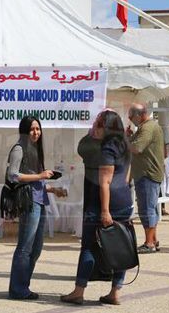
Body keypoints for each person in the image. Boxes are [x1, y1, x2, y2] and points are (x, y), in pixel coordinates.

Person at [61, 110, 133, 306]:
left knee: (88, 247)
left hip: (103, 204)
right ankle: (115, 292)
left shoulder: (107, 149)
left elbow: (104, 182)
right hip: (124, 201)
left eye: (98, 124)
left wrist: (105, 210)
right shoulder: (124, 144)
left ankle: (78, 291)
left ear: (107, 127)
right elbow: (126, 176)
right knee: (120, 246)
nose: (94, 127)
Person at [7, 116, 65, 300]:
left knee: (37, 247)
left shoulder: (35, 150)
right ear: (24, 131)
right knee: (25, 246)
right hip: (28, 202)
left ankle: (23, 285)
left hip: (40, 200)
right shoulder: (19, 148)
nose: (36, 132)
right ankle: (18, 289)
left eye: (38, 129)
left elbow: (35, 182)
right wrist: (41, 175)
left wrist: (53, 189)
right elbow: (13, 175)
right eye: (32, 129)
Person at [127, 103, 164, 254]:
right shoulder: (146, 127)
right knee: (150, 208)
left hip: (147, 174)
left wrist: (123, 140)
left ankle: (149, 243)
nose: (130, 119)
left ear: (140, 115)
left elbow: (137, 148)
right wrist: (130, 137)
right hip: (146, 173)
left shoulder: (147, 127)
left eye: (131, 116)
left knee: (147, 209)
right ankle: (153, 240)